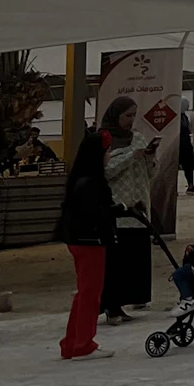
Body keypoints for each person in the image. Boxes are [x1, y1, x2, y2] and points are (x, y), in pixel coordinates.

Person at [53, 123, 117, 358]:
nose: (110, 155)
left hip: (78, 240)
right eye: (108, 151)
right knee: (90, 293)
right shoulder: (93, 181)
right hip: (91, 241)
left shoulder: (79, 179)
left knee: (83, 292)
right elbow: (96, 213)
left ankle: (72, 342)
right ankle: (83, 344)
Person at [100, 95, 158, 322]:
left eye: (134, 115)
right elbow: (105, 171)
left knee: (136, 258)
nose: (131, 121)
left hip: (139, 207)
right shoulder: (103, 140)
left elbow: (151, 174)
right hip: (117, 208)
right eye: (127, 116)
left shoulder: (139, 138)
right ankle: (112, 306)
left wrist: (150, 158)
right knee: (116, 261)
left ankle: (132, 299)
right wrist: (130, 157)